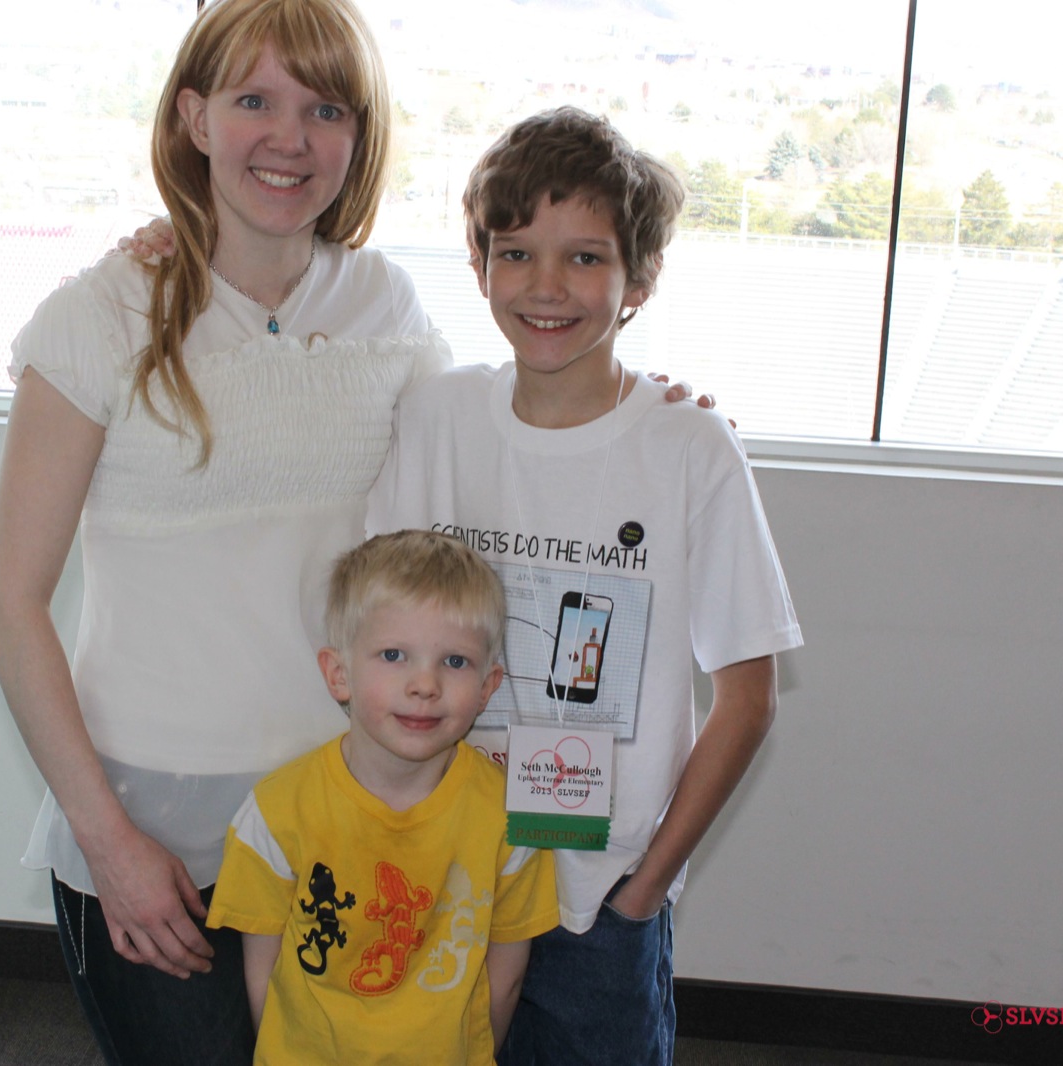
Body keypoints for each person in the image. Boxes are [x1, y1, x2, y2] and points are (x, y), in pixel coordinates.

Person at [0, 0, 715, 1059]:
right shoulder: (97, 316)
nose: (289, 138)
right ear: (193, 118)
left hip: (358, 819)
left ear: (358, 138)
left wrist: (652, 413)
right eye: (254, 101)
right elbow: (10, 605)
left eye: (326, 109)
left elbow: (505, 444)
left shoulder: (386, 305)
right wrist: (107, 841)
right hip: (154, 828)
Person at [366, 106, 805, 1066]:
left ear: (639, 278)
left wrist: (643, 889)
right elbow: (375, 644)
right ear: (479, 265)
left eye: (586, 258)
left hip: (597, 905)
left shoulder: (689, 447)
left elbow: (748, 697)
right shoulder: (438, 418)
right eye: (517, 254)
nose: (547, 286)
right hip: (445, 877)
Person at [206, 530, 559, 1064]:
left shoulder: (511, 819)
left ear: (488, 688)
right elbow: (263, 976)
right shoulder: (276, 814)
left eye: (455, 662)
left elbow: (505, 979)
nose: (425, 684)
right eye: (394, 655)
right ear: (339, 674)